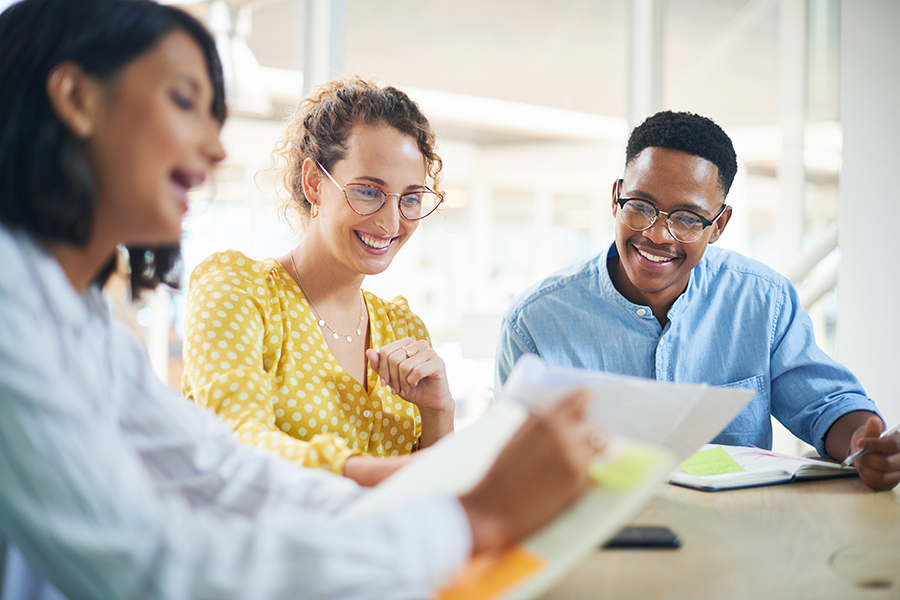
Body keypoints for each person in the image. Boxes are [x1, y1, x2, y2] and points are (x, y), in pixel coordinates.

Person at [0, 0, 605, 597]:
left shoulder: (76, 316)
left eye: (412, 197)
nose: (215, 150)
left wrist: (444, 482)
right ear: (77, 99)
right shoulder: (16, 309)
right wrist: (472, 517)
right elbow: (154, 564)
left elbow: (216, 470)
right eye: (183, 101)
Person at [495, 110, 900, 491]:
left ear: (718, 225)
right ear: (616, 198)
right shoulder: (534, 321)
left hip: (731, 532)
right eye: (640, 207)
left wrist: (869, 447)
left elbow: (828, 404)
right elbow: (508, 463)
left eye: (687, 218)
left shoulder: (762, 300)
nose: (657, 235)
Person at [181, 78, 454, 485]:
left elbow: (438, 501)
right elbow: (236, 440)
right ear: (314, 183)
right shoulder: (239, 292)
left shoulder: (404, 330)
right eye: (368, 191)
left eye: (411, 198)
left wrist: (439, 412)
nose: (392, 222)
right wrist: (376, 474)